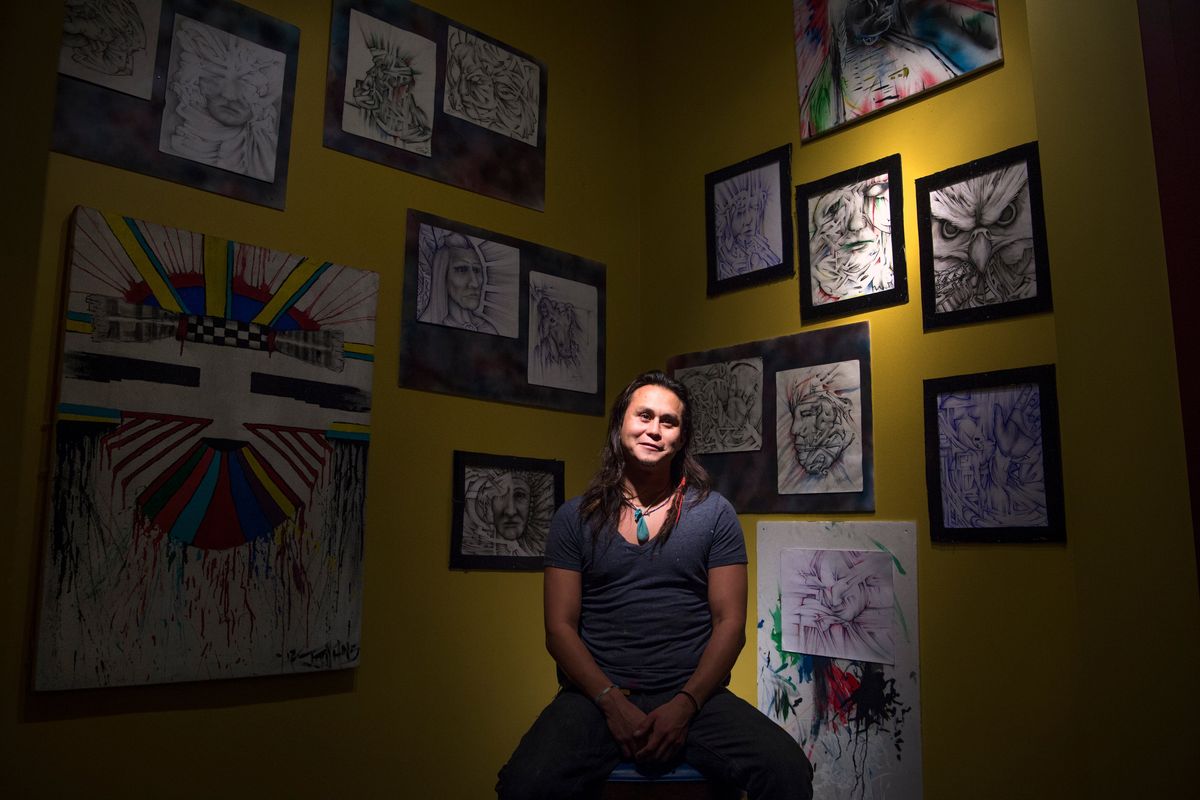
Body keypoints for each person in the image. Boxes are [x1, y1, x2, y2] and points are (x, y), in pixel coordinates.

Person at [497, 371, 813, 799]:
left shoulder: (714, 514)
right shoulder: (574, 518)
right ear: (620, 425)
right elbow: (559, 629)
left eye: (669, 421)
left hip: (694, 696)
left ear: (681, 438)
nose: (654, 429)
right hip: (594, 700)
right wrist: (611, 703)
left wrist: (685, 705)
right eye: (644, 415)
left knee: (787, 771)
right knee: (524, 785)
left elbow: (730, 624)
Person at [418, 233, 498, 334]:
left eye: (477, 270)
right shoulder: (426, 328)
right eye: (462, 270)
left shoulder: (487, 329)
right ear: (442, 275)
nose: (475, 283)